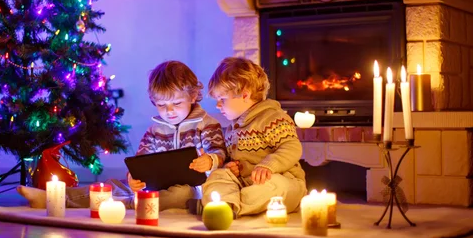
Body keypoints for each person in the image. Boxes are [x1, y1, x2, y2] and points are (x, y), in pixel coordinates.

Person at [17, 60, 226, 211]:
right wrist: (133, 178)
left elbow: (220, 153)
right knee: (110, 185)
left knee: (182, 193)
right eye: (162, 105)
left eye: (177, 103)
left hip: (191, 189)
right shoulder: (154, 131)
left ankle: (130, 203)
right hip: (151, 188)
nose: (169, 111)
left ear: (192, 96)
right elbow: (141, 163)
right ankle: (52, 198)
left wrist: (209, 161)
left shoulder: (206, 124)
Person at [201, 57, 306, 218]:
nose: (218, 105)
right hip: (245, 183)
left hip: (284, 180)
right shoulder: (231, 129)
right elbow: (234, 160)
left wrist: (268, 166)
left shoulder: (273, 118)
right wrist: (232, 167)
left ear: (244, 95)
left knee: (274, 188)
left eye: (222, 100)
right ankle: (225, 204)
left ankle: (227, 207)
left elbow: (292, 147)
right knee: (218, 176)